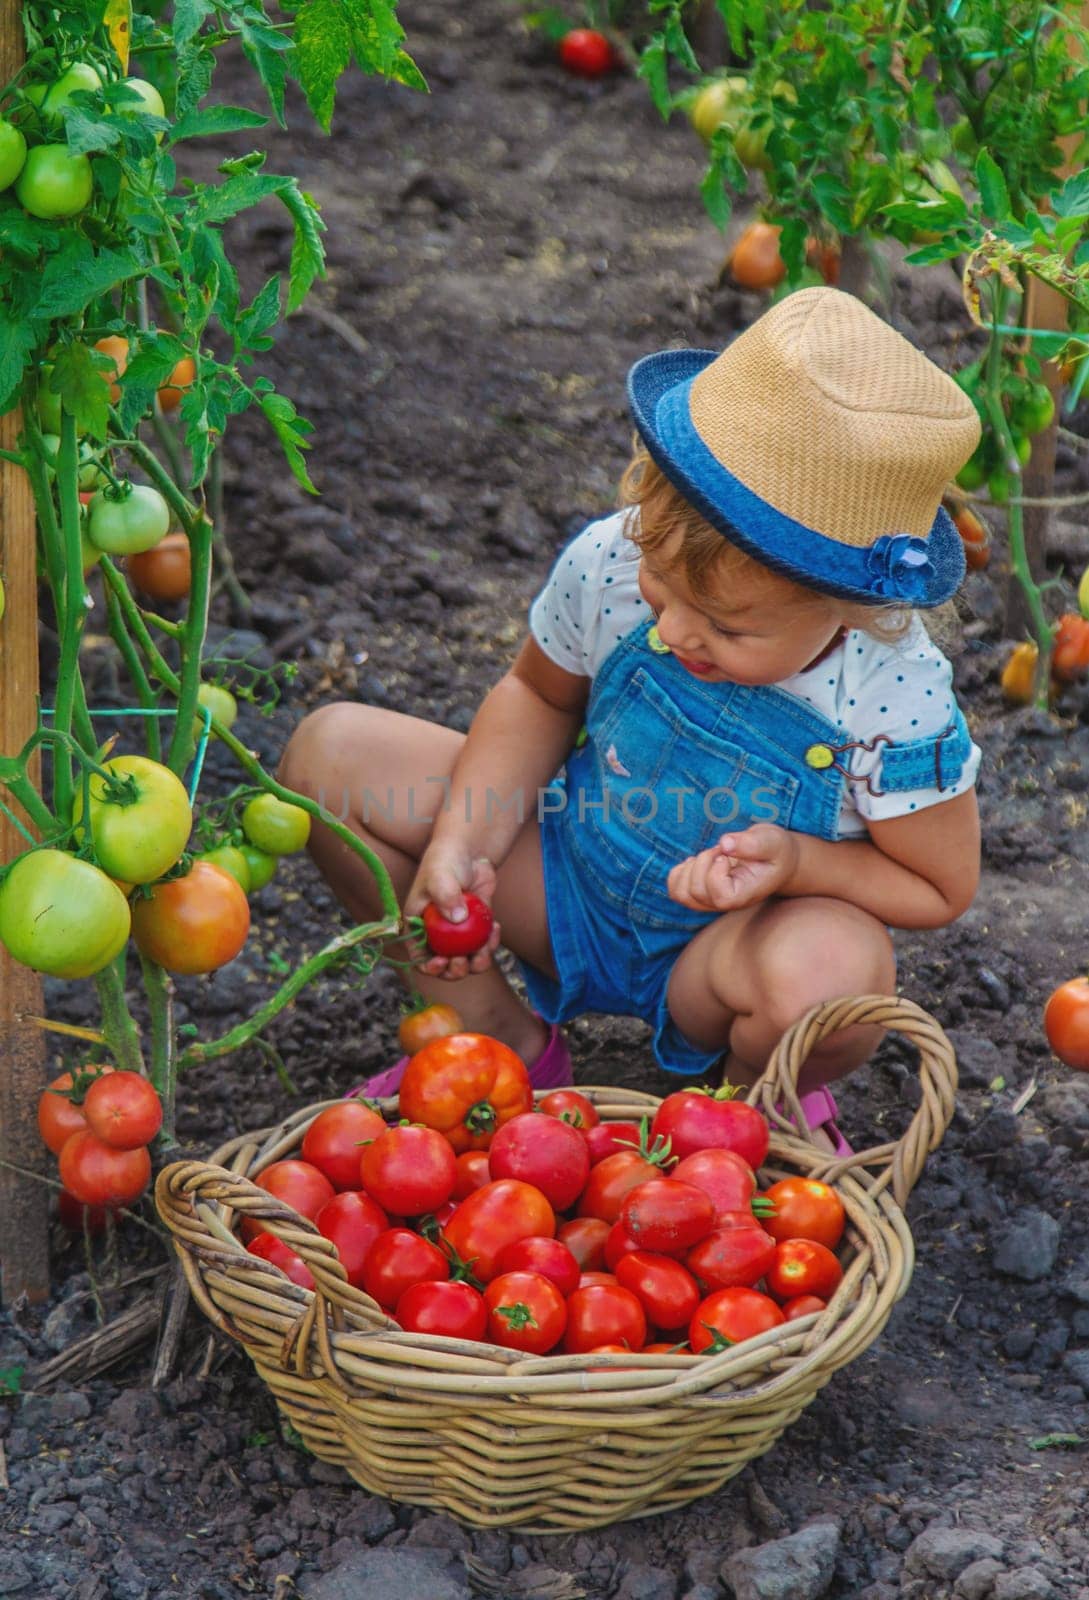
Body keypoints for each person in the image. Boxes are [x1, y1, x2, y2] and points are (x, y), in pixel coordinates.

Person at [279, 288, 982, 1150]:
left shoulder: (893, 696)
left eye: (727, 627)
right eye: (660, 585)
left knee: (833, 983)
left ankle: (740, 1114)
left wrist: (797, 862)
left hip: (723, 954)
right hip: (571, 877)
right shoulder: (615, 555)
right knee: (331, 759)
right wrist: (463, 844)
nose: (674, 629)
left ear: (849, 609)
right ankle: (496, 1039)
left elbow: (937, 887)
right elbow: (537, 696)